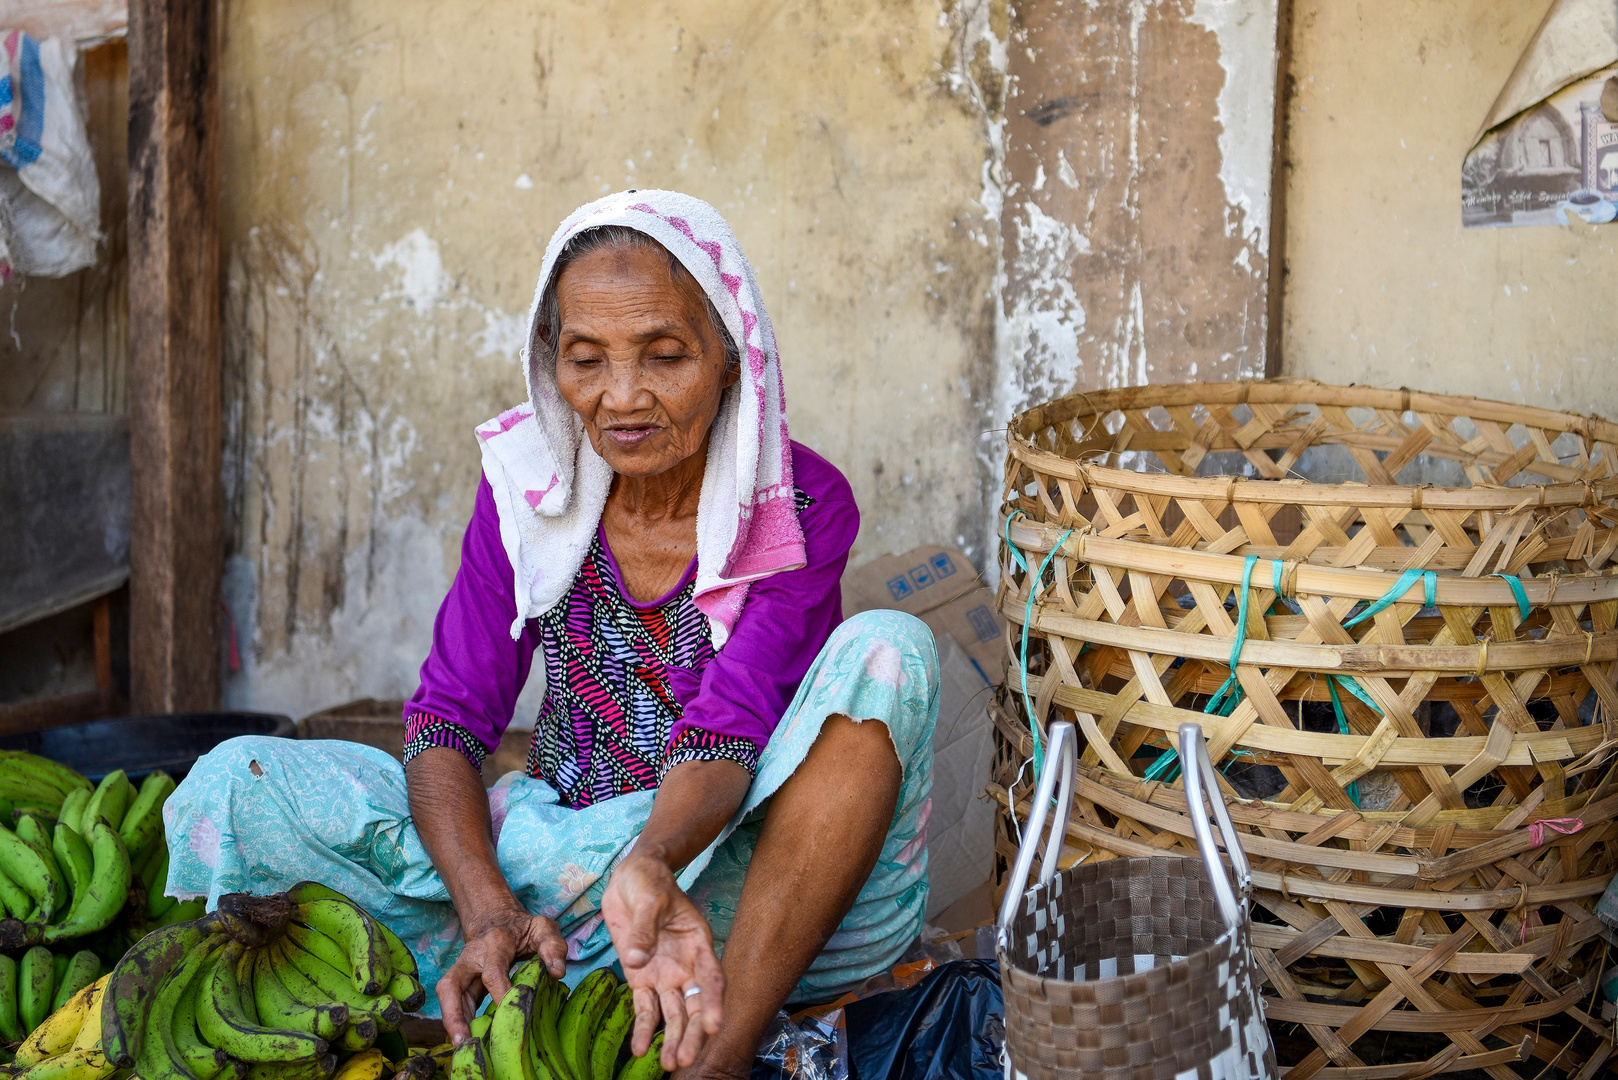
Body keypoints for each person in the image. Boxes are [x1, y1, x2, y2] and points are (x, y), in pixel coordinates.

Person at [167, 190, 940, 1080]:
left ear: (732, 358)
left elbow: (731, 729)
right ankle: (506, 963)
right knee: (240, 781)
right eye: (586, 359)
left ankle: (718, 1051)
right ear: (551, 365)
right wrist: (489, 903)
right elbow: (450, 721)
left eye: (665, 357)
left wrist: (650, 862)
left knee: (890, 648)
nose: (621, 397)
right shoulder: (527, 492)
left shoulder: (798, 505)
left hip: (726, 874)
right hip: (550, 875)